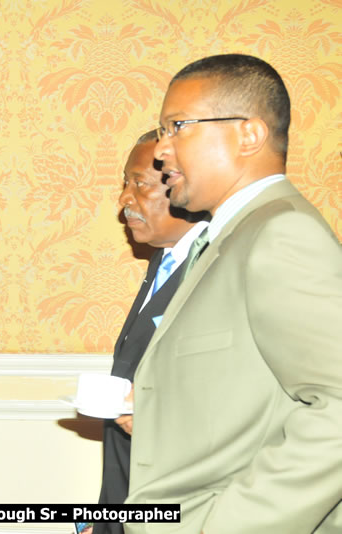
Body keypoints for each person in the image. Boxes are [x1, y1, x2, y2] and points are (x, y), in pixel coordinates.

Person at [125, 54, 342, 533]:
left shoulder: (282, 233)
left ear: (250, 134)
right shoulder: (230, 234)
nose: (162, 150)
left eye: (177, 126)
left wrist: (231, 525)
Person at [93, 131, 208, 534]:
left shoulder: (214, 269)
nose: (125, 199)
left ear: (181, 184)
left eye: (139, 183)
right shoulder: (164, 260)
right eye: (125, 183)